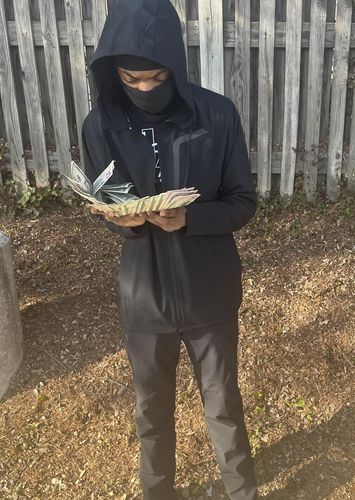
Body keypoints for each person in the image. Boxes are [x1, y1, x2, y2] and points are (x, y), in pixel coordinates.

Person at [81, 1, 258, 499]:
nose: (144, 89)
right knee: (150, 409)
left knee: (222, 404)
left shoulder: (216, 115)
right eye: (131, 79)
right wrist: (125, 223)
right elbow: (108, 202)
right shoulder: (100, 126)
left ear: (176, 67)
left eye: (157, 78)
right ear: (112, 73)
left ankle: (241, 492)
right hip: (144, 296)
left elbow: (242, 202)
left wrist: (190, 219)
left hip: (210, 290)